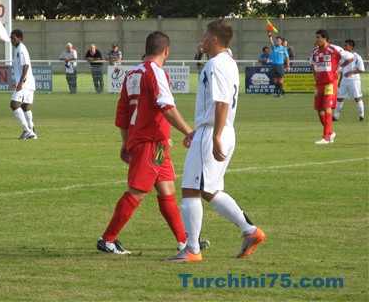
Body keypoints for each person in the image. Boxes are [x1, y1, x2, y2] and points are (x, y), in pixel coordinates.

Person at [166, 19, 265, 263]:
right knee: (209, 190)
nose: (200, 39)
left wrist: (215, 136)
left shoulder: (215, 64)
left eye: (204, 35)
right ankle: (251, 232)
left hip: (213, 131)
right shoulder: (228, 62)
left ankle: (191, 250)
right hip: (219, 130)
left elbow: (221, 102)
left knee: (190, 189)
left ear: (214, 39)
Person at [97, 31, 195, 255]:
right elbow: (166, 107)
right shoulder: (156, 72)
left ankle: (184, 241)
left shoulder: (132, 73)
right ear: (166, 51)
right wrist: (189, 131)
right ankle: (108, 239)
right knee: (138, 191)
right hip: (149, 142)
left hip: (155, 142)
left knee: (167, 188)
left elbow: (123, 112)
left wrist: (125, 142)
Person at [309, 29, 354, 144]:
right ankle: (331, 132)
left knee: (327, 107)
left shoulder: (334, 49)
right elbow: (312, 63)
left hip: (330, 82)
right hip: (319, 84)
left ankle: (325, 137)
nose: (316, 39)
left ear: (325, 38)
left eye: (318, 37)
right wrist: (314, 73)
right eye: (316, 37)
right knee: (319, 110)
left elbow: (351, 57)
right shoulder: (315, 51)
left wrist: (339, 68)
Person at [10, 29, 37, 140]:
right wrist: (17, 81)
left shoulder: (21, 49)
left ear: (19, 38)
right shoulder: (17, 49)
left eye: (13, 38)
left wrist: (21, 82)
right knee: (25, 105)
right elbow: (20, 68)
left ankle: (26, 130)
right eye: (11, 38)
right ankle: (32, 131)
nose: (11, 40)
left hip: (25, 83)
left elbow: (26, 66)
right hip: (26, 82)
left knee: (14, 104)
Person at [334, 39, 365, 122]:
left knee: (357, 98)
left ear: (351, 47)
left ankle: (361, 115)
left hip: (354, 80)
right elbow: (342, 70)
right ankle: (336, 116)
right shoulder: (343, 57)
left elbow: (361, 70)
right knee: (339, 98)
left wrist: (351, 72)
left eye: (346, 45)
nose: (344, 47)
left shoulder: (357, 57)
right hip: (344, 80)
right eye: (344, 45)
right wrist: (340, 81)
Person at [267, 32, 290, 97]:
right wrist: (269, 35)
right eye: (276, 41)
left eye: (278, 41)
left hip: (280, 66)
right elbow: (271, 41)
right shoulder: (274, 47)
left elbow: (287, 58)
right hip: (274, 65)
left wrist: (288, 66)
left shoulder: (284, 49)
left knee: (280, 80)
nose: (277, 42)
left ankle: (280, 93)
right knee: (275, 80)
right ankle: (276, 93)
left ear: (281, 41)